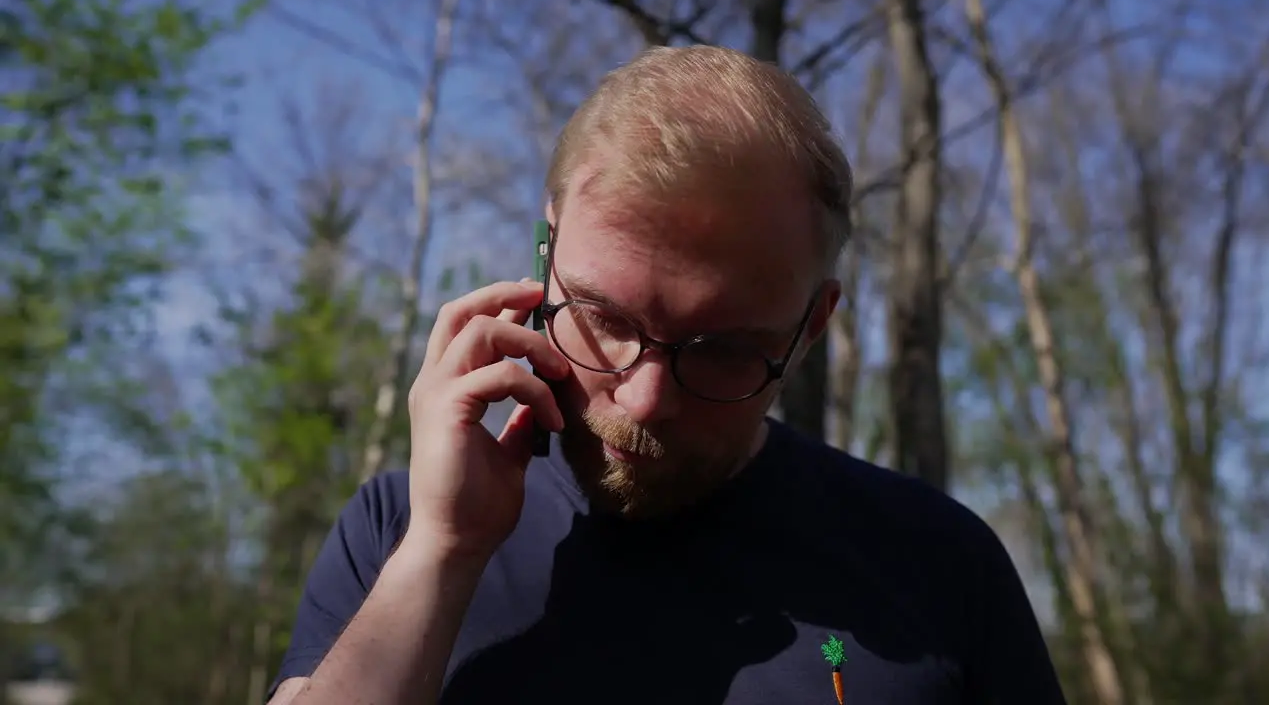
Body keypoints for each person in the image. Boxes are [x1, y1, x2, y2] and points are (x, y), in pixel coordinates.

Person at [266, 45, 1066, 705]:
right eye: (606, 319)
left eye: (723, 348)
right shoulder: (400, 530)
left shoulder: (939, 565)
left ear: (814, 323)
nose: (646, 397)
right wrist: (441, 553)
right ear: (545, 257)